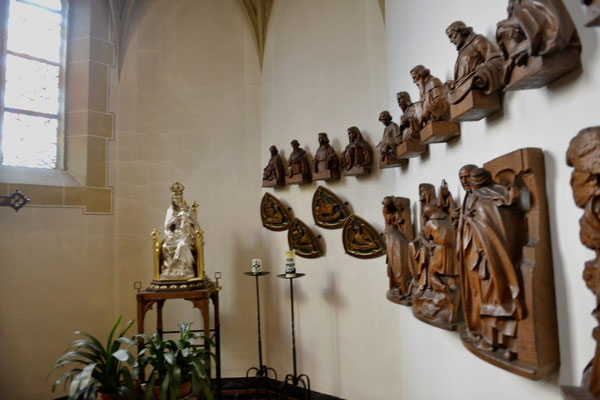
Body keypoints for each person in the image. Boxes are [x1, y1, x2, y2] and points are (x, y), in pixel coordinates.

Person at [459, 167, 523, 359]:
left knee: (496, 299)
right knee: (488, 299)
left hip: (491, 258)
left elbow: (494, 230)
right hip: (482, 258)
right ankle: (493, 339)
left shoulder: (486, 200)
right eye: (462, 179)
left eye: (468, 178)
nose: (465, 182)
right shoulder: (474, 199)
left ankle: (502, 342)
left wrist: (472, 225)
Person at [496, 0, 580, 83]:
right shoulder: (513, 3)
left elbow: (534, 13)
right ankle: (520, 51)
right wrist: (504, 28)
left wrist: (515, 23)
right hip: (528, 32)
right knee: (503, 30)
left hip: (546, 29)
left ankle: (523, 50)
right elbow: (511, 17)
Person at [444, 21, 505, 104]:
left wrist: (482, 72)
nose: (451, 41)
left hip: (475, 83)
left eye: (451, 35)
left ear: (461, 31)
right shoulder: (461, 53)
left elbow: (496, 59)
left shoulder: (477, 40)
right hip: (463, 88)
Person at [161, 182, 199, 280]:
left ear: (182, 198)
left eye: (178, 198)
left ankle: (184, 269)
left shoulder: (187, 210)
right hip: (174, 235)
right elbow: (166, 227)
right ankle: (170, 270)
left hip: (186, 234)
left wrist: (187, 219)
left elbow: (196, 225)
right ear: (172, 199)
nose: (177, 200)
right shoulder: (170, 211)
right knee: (165, 246)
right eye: (175, 198)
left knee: (182, 246)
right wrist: (174, 222)